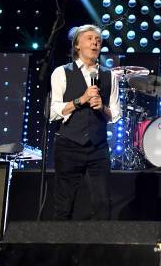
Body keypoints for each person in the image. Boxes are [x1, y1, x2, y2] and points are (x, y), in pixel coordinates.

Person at [50, 24, 121, 220]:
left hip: (98, 146)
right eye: (89, 38)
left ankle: (100, 248)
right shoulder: (62, 72)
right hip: (69, 144)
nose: (95, 42)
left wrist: (102, 108)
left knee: (102, 203)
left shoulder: (109, 75)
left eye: (98, 39)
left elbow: (115, 113)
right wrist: (80, 100)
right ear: (77, 46)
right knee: (64, 204)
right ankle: (60, 248)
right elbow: (53, 111)